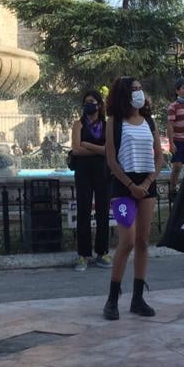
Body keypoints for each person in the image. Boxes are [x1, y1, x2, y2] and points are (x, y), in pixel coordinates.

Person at [103, 76, 163, 320]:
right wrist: (130, 185)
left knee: (143, 240)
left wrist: (147, 183)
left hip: (146, 185)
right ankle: (112, 298)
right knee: (126, 240)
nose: (139, 92)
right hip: (122, 188)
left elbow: (160, 156)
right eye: (134, 89)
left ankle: (138, 297)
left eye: (141, 88)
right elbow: (111, 158)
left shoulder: (149, 121)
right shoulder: (114, 122)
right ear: (124, 94)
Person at [70, 89, 112, 272]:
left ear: (100, 105)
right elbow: (76, 150)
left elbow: (109, 150)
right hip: (83, 171)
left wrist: (86, 144)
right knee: (83, 211)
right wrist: (97, 149)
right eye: (86, 101)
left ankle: (102, 252)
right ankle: (83, 254)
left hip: (103, 171)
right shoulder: (77, 125)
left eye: (92, 101)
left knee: (103, 211)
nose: (89, 104)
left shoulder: (107, 125)